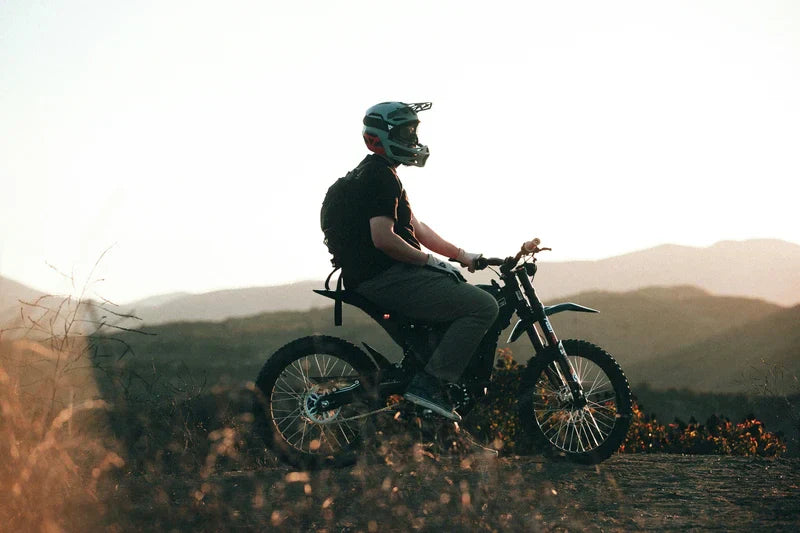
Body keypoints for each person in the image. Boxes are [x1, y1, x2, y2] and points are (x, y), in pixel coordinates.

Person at [330, 101, 499, 421]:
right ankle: (430, 386)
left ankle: (431, 401)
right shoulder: (381, 178)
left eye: (413, 132)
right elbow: (384, 238)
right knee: (484, 306)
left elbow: (416, 229)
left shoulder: (373, 175)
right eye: (406, 132)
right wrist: (429, 262)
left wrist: (463, 257)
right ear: (380, 137)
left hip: (372, 276)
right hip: (388, 276)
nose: (412, 139)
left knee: (458, 294)